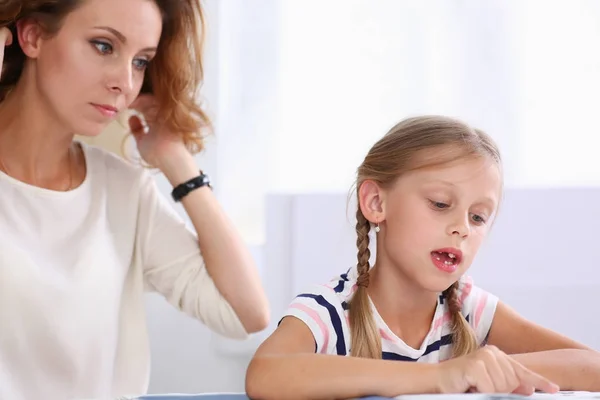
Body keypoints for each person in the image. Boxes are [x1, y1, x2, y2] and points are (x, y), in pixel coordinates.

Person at [0, 0, 269, 398]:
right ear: (33, 36)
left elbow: (245, 313)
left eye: (141, 61)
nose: (125, 83)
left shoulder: (123, 191)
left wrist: (179, 164)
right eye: (104, 46)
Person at [245, 115, 600, 399]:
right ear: (376, 203)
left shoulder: (467, 308)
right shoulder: (329, 312)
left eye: (478, 217)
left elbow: (591, 366)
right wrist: (438, 377)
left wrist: (488, 369)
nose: (462, 227)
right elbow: (265, 374)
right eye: (441, 204)